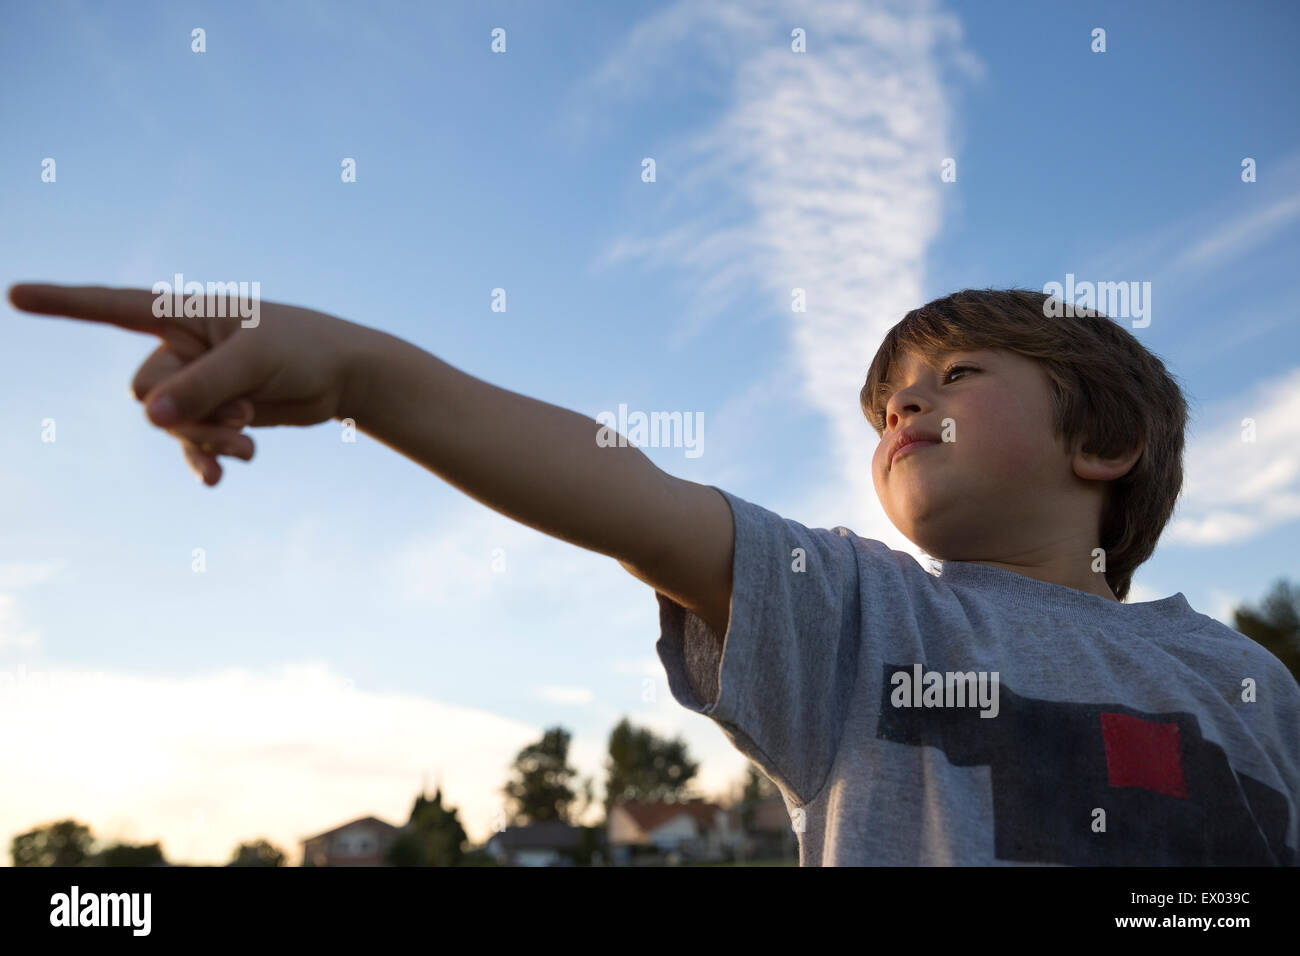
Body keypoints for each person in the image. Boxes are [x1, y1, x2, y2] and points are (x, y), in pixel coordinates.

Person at [9, 282, 1298, 865]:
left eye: (956, 376)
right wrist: (366, 376)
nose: (904, 406)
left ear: (1107, 444)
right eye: (884, 403)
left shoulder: (1246, 679)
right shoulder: (861, 614)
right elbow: (626, 492)